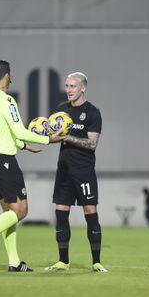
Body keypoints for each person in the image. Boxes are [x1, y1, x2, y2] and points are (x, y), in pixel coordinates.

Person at [0, 59, 63, 272]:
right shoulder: (7, 100)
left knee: (9, 214)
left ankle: (14, 262)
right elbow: (19, 130)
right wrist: (49, 140)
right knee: (20, 210)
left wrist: (21, 145)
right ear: (8, 75)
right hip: (3, 162)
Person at [45, 72, 108, 273]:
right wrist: (42, 136)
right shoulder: (62, 110)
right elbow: (56, 137)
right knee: (61, 213)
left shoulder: (93, 112)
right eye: (67, 86)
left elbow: (92, 144)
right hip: (64, 170)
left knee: (90, 213)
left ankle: (96, 262)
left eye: (73, 86)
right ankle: (63, 261)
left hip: (84, 171)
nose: (68, 90)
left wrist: (68, 137)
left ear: (83, 88)